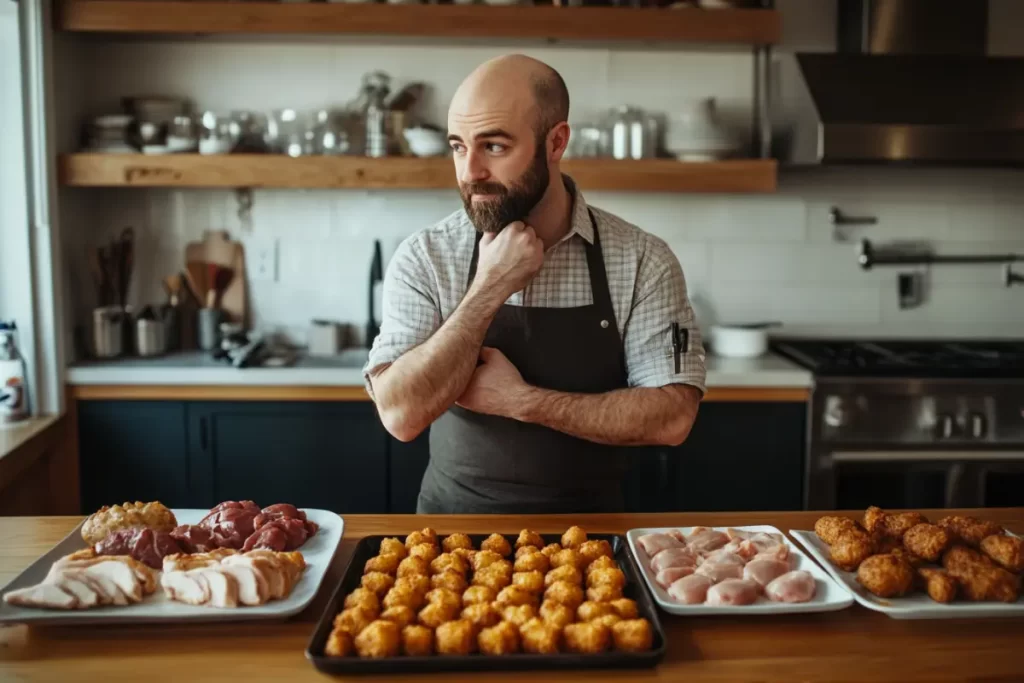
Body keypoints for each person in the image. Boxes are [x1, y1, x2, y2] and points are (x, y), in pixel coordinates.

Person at [363, 54, 706, 514]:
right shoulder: (428, 256)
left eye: (495, 147)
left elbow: (673, 418)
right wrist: (489, 287)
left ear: (556, 142)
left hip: (593, 545)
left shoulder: (642, 259)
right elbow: (400, 415)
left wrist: (522, 402)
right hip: (449, 547)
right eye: (459, 146)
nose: (470, 172)